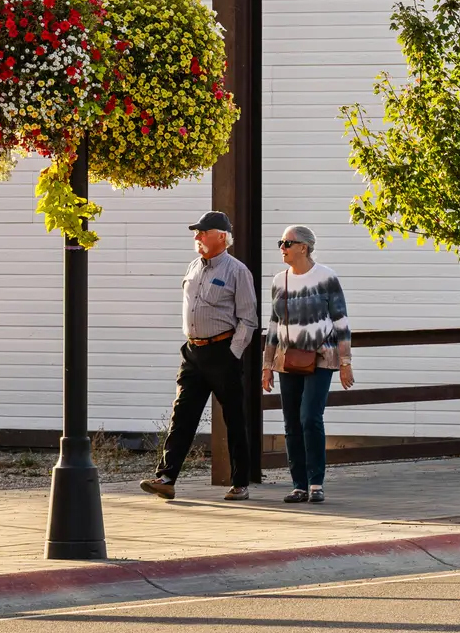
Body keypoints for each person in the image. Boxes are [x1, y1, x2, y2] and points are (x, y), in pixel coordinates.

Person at [141, 209, 262, 502]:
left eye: (202, 232)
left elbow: (249, 319)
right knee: (182, 415)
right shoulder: (194, 266)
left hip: (223, 351)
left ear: (221, 237)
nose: (197, 237)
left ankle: (239, 483)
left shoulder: (237, 271)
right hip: (193, 352)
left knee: (234, 418)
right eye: (196, 232)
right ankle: (166, 478)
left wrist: (233, 354)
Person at [260, 224, 353, 504]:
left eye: (287, 243)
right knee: (291, 423)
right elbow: (274, 325)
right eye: (281, 243)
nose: (282, 248)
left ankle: (316, 483)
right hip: (288, 359)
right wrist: (267, 365)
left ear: (304, 247)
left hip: (322, 356)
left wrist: (346, 362)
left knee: (310, 418)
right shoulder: (279, 280)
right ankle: (298, 485)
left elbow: (341, 322)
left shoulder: (326, 277)